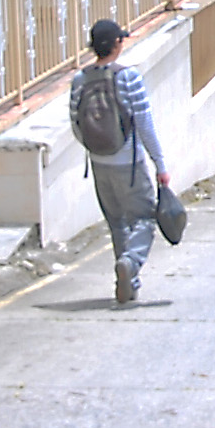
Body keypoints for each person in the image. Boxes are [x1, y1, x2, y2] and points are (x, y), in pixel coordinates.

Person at [69, 19, 169, 303]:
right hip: (131, 165)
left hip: (99, 164)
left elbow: (76, 123)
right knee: (145, 218)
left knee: (117, 223)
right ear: (116, 44)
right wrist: (160, 164)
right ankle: (131, 263)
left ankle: (128, 283)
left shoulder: (80, 80)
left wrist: (95, 149)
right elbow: (144, 124)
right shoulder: (129, 78)